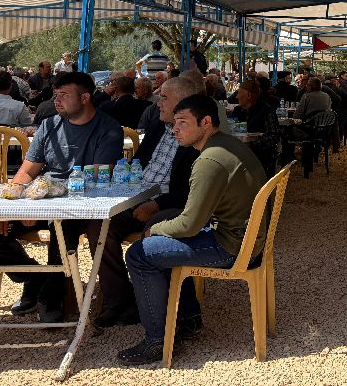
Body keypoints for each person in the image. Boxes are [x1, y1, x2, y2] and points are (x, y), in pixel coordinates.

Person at [118, 94, 267, 365]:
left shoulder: (209, 161)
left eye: (183, 123)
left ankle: (157, 341)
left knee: (140, 254)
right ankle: (186, 321)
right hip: (247, 238)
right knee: (164, 241)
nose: (175, 129)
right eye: (174, 122)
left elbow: (189, 225)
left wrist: (156, 229)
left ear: (206, 122)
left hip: (232, 247)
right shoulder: (226, 145)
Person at [0, 72, 122, 323]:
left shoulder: (108, 128)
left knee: (62, 230)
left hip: (77, 205)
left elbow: (98, 176)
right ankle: (34, 277)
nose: (57, 100)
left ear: (85, 98)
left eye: (64, 95)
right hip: (39, 199)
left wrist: (44, 201)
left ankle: (51, 297)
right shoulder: (49, 125)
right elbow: (28, 170)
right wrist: (12, 205)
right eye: (56, 95)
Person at [86, 75, 203, 327]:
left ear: (184, 103)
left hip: (171, 204)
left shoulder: (197, 135)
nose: (157, 103)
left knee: (155, 233)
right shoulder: (159, 127)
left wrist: (156, 204)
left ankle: (156, 305)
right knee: (99, 225)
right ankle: (118, 299)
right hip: (138, 197)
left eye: (164, 98)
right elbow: (138, 164)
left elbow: (192, 190)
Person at [233, 79, 282, 179]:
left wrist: (251, 145)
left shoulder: (266, 111)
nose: (236, 97)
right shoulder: (237, 111)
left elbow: (273, 136)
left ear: (249, 95)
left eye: (239, 93)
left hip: (260, 158)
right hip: (238, 155)